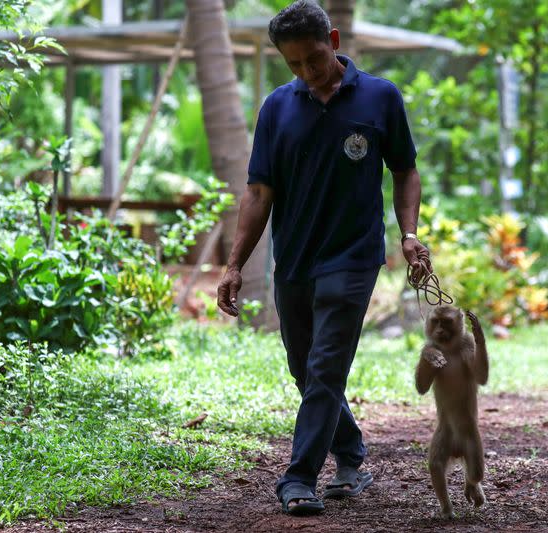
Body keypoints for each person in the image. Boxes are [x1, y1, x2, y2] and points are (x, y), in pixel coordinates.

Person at [216, 0, 431, 516]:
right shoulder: (277, 107)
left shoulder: (380, 97)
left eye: (313, 58)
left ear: (333, 41)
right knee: (304, 368)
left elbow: (405, 170)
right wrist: (234, 264)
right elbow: (259, 193)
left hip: (354, 258)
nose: (307, 72)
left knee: (326, 364)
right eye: (294, 64)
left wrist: (409, 233)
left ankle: (298, 477)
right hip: (294, 260)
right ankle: (352, 452)